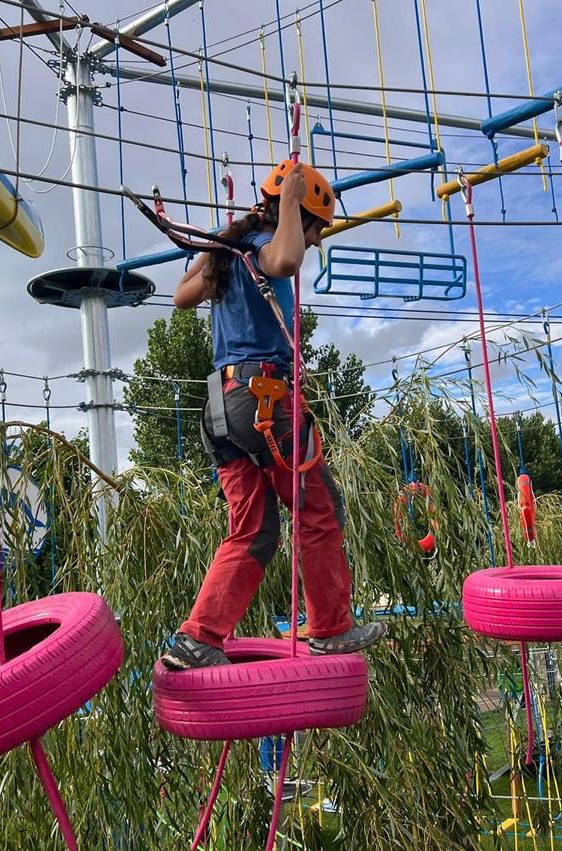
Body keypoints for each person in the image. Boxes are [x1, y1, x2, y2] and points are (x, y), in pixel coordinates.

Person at [160, 160, 387, 670]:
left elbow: (181, 295)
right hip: (263, 397)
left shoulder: (232, 254)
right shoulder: (265, 247)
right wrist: (289, 203)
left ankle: (199, 638)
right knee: (319, 508)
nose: (312, 242)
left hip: (220, 408)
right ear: (300, 216)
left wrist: (218, 241)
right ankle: (330, 628)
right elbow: (285, 259)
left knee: (253, 530)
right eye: (316, 230)